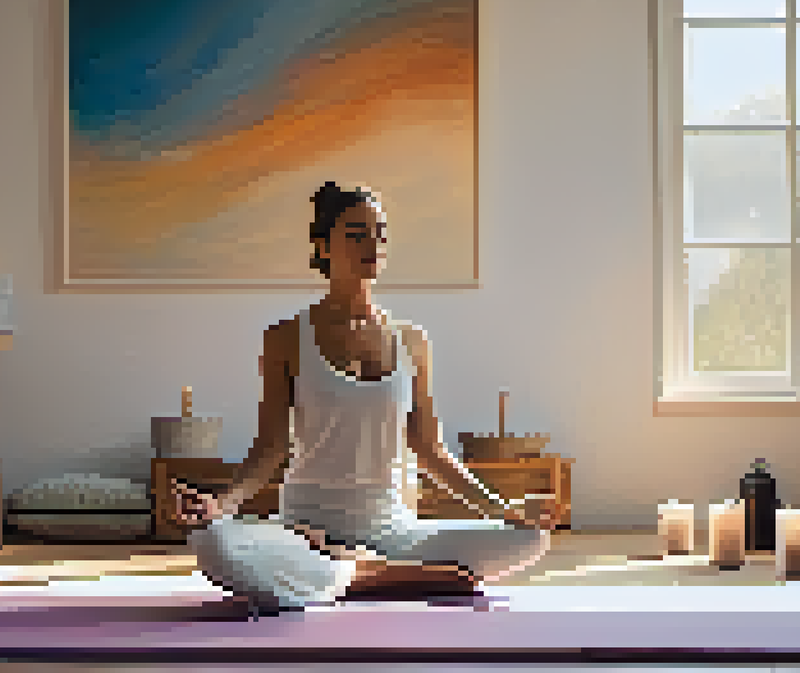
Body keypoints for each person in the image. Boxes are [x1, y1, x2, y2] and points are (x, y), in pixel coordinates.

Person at [172, 182, 554, 617]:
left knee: (528, 540)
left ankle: (358, 570)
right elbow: (270, 450)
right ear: (323, 245)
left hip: (394, 530)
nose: (372, 244)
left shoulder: (412, 341)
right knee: (213, 544)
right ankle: (376, 573)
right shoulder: (285, 339)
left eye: (380, 233)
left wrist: (503, 510)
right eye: (356, 233)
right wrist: (221, 505)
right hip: (306, 531)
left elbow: (431, 451)